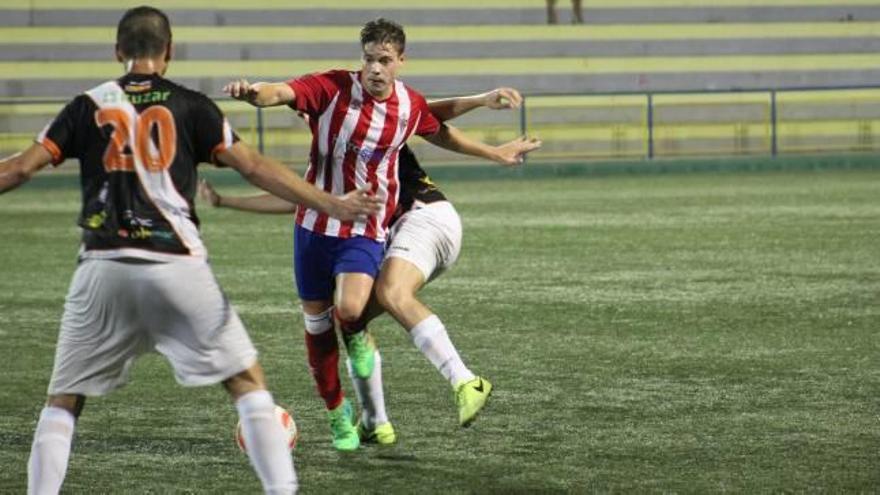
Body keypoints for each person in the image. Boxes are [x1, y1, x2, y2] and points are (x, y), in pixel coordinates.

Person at [0, 6, 380, 494]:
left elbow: (16, 170)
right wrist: (333, 203)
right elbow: (255, 167)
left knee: (63, 400)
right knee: (247, 383)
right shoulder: (191, 106)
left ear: (119, 52)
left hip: (101, 267)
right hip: (177, 265)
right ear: (169, 51)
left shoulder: (87, 104)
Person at [223, 18, 541, 451]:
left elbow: (435, 121)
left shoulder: (407, 107)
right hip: (314, 230)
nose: (375, 68)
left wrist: (488, 133)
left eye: (384, 61)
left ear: (400, 62)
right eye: (369, 59)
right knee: (324, 326)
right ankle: (349, 418)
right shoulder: (331, 88)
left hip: (374, 226)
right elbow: (279, 92)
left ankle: (459, 382)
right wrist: (252, 93)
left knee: (356, 307)